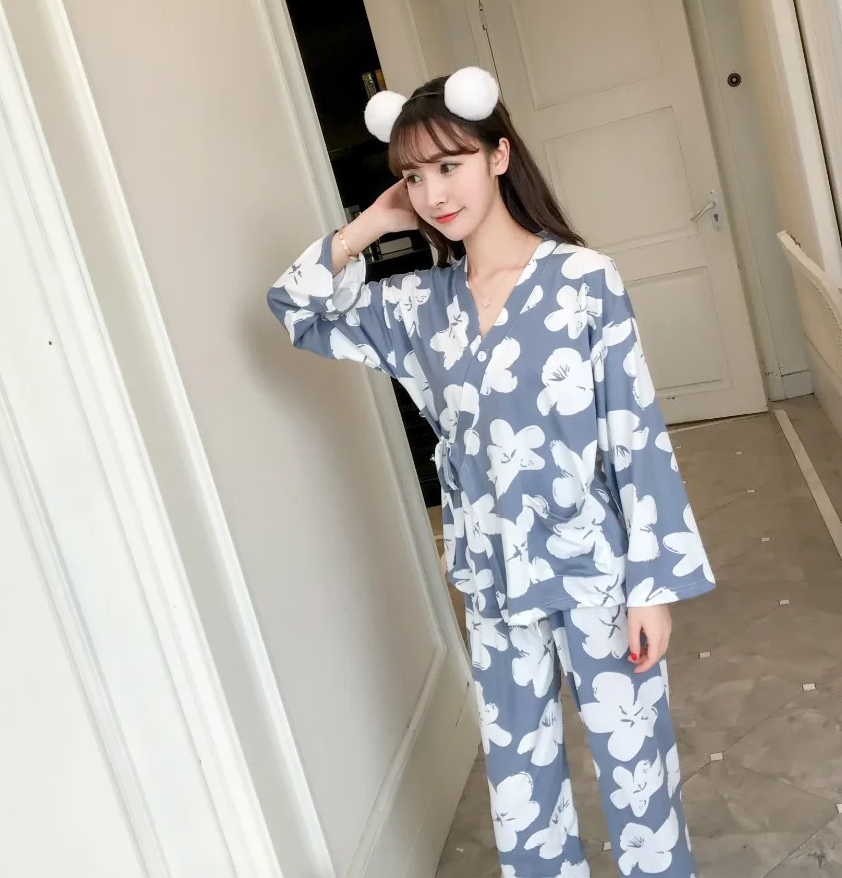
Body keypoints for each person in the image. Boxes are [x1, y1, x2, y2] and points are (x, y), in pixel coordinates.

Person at [268, 67, 713, 878]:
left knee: (638, 777)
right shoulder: (417, 307)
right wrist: (372, 222)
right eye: (414, 176)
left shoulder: (584, 281)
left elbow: (635, 437)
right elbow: (295, 308)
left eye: (451, 164)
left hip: (595, 573)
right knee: (521, 793)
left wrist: (651, 586)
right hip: (493, 583)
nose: (434, 192)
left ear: (499, 156)